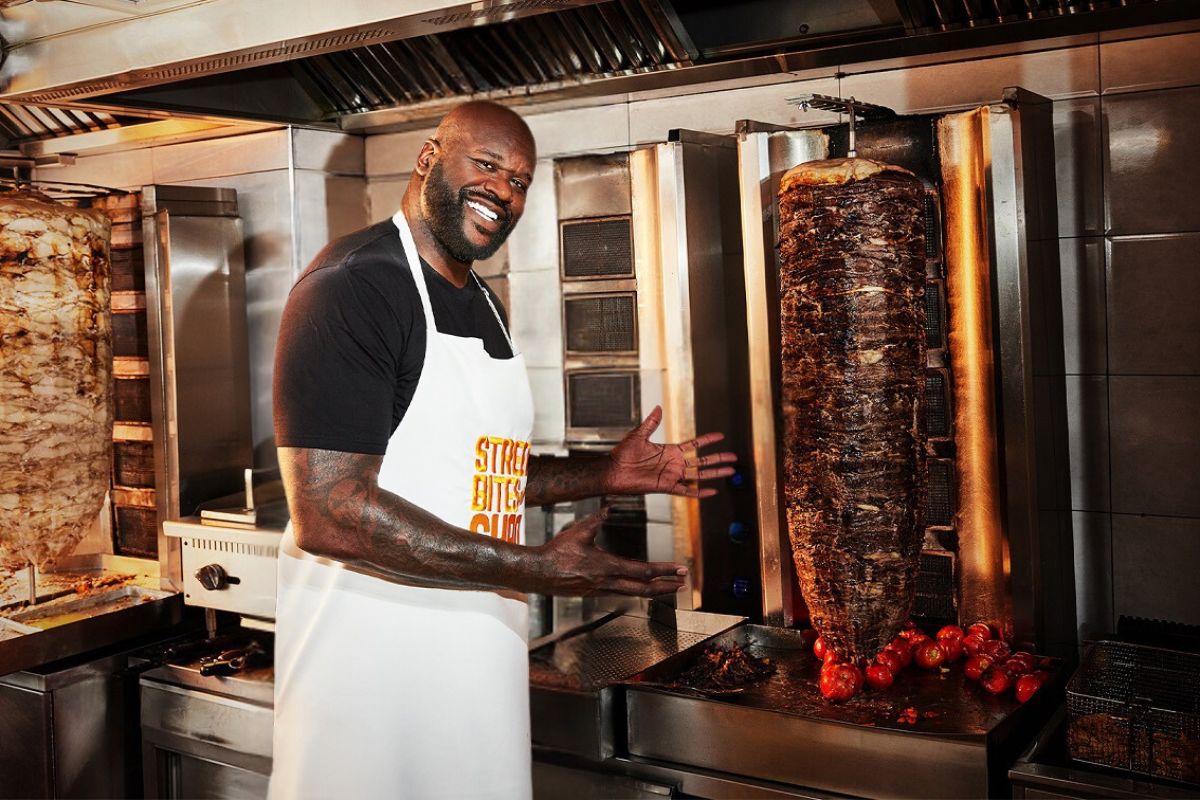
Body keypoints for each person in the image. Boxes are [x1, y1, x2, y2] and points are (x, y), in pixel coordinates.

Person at [269, 100, 735, 799]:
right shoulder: (354, 289)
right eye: (486, 165)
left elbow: (475, 473)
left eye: (519, 180)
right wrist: (538, 568)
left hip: (477, 669)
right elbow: (330, 513)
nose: (504, 192)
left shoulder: (482, 302)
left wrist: (604, 473)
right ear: (429, 158)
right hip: (369, 686)